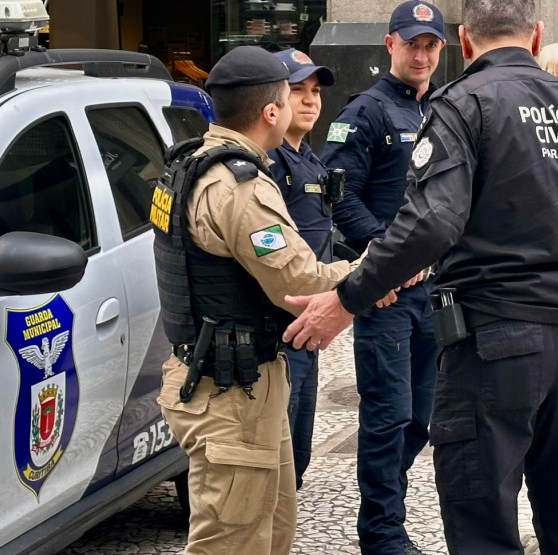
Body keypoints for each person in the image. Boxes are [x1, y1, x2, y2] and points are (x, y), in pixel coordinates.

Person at [283, 1, 558, 553]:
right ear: (537, 33)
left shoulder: (463, 103)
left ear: (465, 42)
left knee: (483, 528)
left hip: (496, 342)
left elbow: (432, 221)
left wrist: (348, 297)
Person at [151, 45, 361, 555]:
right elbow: (300, 285)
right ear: (272, 112)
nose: (298, 105)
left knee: (272, 530)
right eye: (291, 96)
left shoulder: (192, 163)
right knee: (233, 542)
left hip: (236, 380)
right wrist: (366, 271)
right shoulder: (239, 186)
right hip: (230, 393)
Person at [319, 2, 445, 553]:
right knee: (388, 417)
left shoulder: (443, 110)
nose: (421, 55)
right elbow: (338, 195)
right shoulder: (365, 112)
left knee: (422, 417)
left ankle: (387, 514)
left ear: (442, 50)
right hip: (388, 294)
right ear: (390, 45)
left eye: (431, 46)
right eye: (411, 44)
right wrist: (383, 259)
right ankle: (382, 532)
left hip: (436, 295)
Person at [266, 48, 337, 492]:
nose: (310, 101)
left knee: (298, 451)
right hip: (281, 326)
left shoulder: (306, 156)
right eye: (298, 91)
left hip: (307, 322)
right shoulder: (269, 164)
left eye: (314, 92)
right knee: (277, 454)